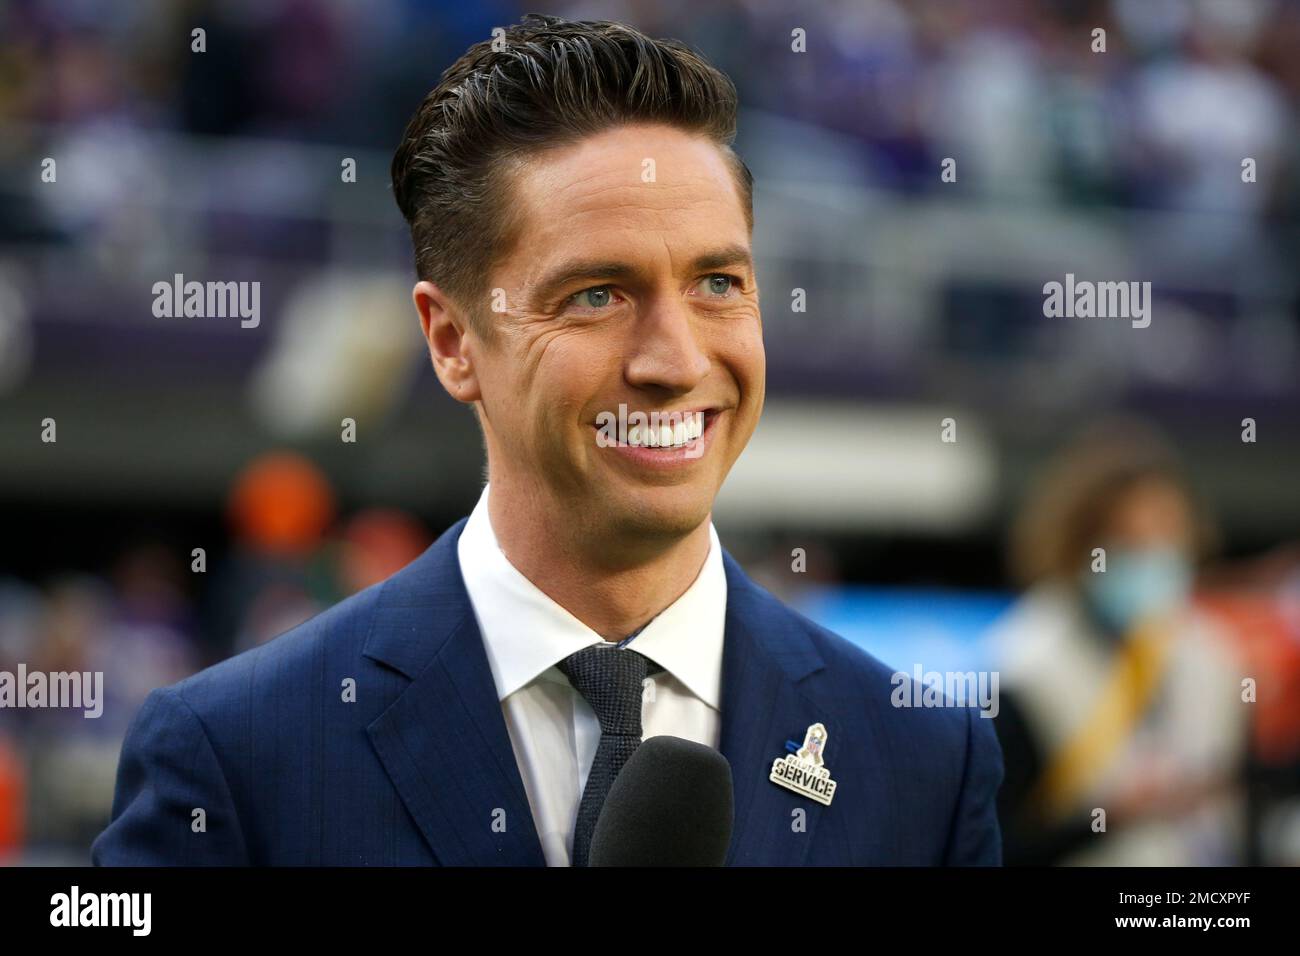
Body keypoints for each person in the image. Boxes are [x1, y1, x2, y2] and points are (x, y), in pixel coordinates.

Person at [91, 14, 1002, 867]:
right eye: (597, 294)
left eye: (718, 282)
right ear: (452, 343)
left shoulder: (923, 757)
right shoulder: (237, 755)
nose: (676, 361)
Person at [989, 421, 1249, 865]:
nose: (1151, 557)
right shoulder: (1024, 663)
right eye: (1129, 540)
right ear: (1082, 542)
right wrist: (1110, 817)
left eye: (1167, 536)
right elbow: (997, 841)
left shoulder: (1214, 657)